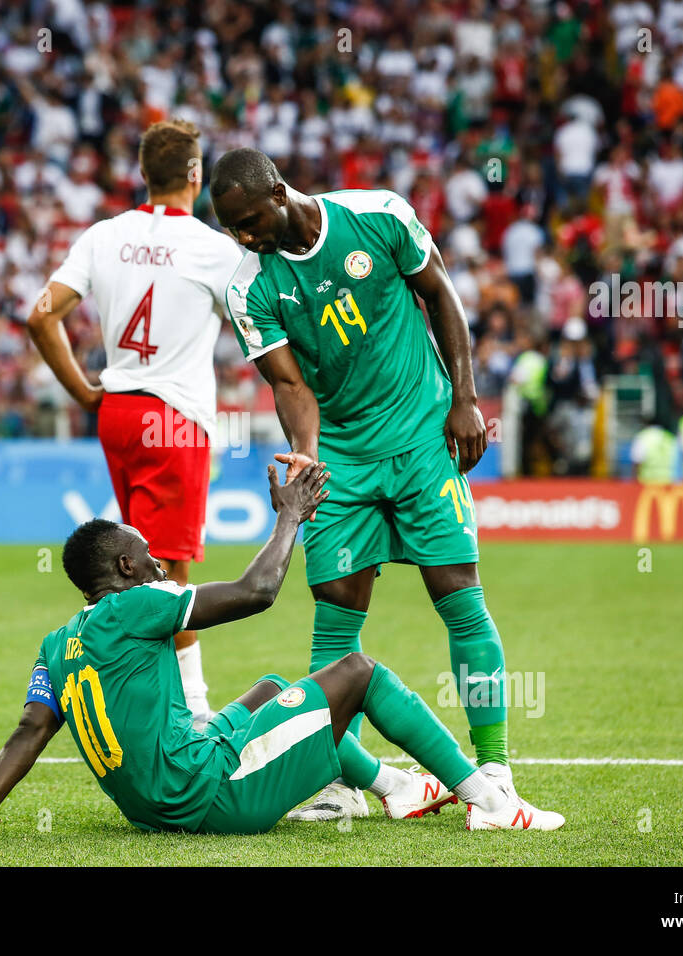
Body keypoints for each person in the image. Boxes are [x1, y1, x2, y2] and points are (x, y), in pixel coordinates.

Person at [0, 463, 564, 838]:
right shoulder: (139, 605)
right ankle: (490, 800)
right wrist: (290, 518)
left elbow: (29, 731)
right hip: (206, 792)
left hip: (150, 805)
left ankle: (395, 787)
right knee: (357, 674)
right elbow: (258, 591)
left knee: (273, 691)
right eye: (146, 551)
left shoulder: (57, 643)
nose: (160, 557)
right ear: (126, 565)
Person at [208, 147, 554, 822]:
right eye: (233, 229)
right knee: (335, 612)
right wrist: (306, 455)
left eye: (250, 220)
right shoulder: (250, 286)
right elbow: (289, 383)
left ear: (278, 191)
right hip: (342, 453)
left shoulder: (379, 215)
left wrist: (466, 397)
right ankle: (340, 787)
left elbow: (441, 294)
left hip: (423, 437)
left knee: (457, 594)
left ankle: (494, 769)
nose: (244, 237)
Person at [27, 120, 245, 728]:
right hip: (173, 418)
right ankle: (196, 718)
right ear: (196, 176)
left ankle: (141, 697)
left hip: (118, 411)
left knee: (136, 568)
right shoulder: (213, 247)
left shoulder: (104, 235)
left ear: (144, 175)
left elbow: (41, 317)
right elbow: (264, 319)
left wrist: (84, 392)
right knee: (170, 578)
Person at [629, 415, 676, 484]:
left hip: (648, 481)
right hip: (669, 480)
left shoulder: (643, 437)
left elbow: (637, 460)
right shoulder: (669, 437)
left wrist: (634, 479)